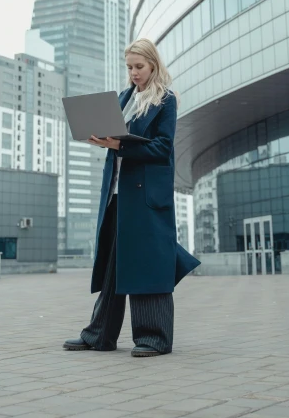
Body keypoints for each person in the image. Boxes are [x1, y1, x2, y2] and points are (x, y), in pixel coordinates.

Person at [63, 38, 200, 357]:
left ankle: (154, 337)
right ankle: (99, 334)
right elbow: (117, 141)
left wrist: (119, 146)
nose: (134, 73)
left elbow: (163, 149)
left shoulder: (165, 100)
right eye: (129, 67)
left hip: (145, 196)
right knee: (113, 265)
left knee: (148, 263)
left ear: (153, 64)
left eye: (139, 66)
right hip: (116, 194)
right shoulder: (123, 98)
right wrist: (101, 140)